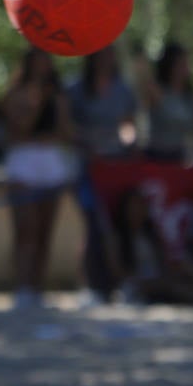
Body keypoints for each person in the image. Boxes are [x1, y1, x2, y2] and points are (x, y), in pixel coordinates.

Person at [0, 47, 77, 309]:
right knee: (26, 229)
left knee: (45, 230)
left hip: (51, 163)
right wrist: (36, 103)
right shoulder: (16, 93)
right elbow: (19, 129)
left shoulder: (58, 94)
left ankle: (37, 287)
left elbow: (65, 131)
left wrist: (53, 105)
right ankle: (21, 285)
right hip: (23, 163)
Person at [67, 45, 138, 303]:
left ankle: (120, 282)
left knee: (119, 224)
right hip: (88, 168)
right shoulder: (75, 89)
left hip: (115, 166)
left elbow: (129, 124)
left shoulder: (122, 90)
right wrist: (88, 145)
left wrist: (128, 143)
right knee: (94, 226)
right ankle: (92, 284)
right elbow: (68, 126)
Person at [140, 42, 193, 163]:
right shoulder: (156, 90)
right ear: (170, 65)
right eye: (180, 64)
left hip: (180, 157)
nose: (184, 68)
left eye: (186, 64)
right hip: (156, 156)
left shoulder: (191, 98)